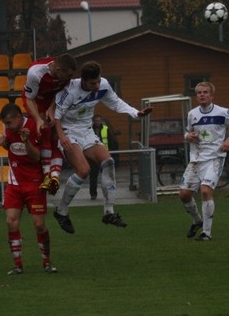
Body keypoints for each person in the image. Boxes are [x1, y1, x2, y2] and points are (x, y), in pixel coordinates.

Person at [51, 61, 153, 233]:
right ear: (83, 80)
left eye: (98, 81)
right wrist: (61, 137)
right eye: (93, 83)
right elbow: (55, 117)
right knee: (83, 171)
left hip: (86, 130)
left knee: (108, 162)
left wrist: (136, 112)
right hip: (68, 131)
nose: (97, 85)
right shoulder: (70, 91)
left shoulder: (103, 85)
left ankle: (108, 212)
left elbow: (116, 103)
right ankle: (61, 211)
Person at [0, 102, 58, 275]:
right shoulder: (9, 129)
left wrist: (27, 142)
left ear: (18, 118)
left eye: (8, 123)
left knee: (39, 225)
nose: (6, 126)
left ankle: (47, 262)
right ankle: (17, 265)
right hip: (15, 182)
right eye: (5, 124)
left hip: (34, 183)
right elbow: (11, 146)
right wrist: (1, 139)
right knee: (11, 221)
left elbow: (36, 157)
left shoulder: (33, 125)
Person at [179, 81, 229, 241]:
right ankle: (197, 220)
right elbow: (187, 132)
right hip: (196, 159)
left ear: (212, 95)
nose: (202, 95)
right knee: (184, 195)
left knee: (205, 190)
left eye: (205, 92)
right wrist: (188, 137)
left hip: (215, 158)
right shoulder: (192, 114)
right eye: (199, 92)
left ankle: (206, 233)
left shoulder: (222, 112)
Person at [21, 53, 77, 195]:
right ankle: (46, 175)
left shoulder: (62, 73)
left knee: (55, 137)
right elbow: (29, 99)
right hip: (36, 100)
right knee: (45, 131)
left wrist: (51, 108)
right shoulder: (35, 73)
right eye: (68, 76)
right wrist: (38, 118)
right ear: (58, 70)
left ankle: (54, 177)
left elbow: (59, 93)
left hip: (52, 101)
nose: (70, 79)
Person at [86, 114, 113, 199]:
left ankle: (107, 193)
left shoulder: (105, 129)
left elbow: (111, 140)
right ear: (93, 121)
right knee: (93, 176)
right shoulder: (89, 130)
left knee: (106, 176)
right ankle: (93, 194)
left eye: (99, 120)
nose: (97, 122)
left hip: (103, 156)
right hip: (93, 157)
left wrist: (110, 152)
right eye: (96, 120)